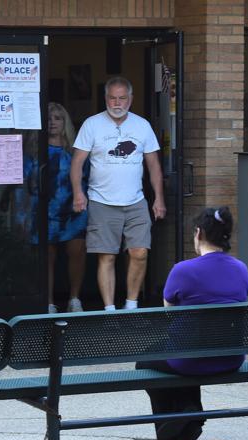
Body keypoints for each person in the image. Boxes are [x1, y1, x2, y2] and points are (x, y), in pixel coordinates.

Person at [137, 206, 248, 440]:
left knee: (146, 361)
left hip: (190, 359)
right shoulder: (241, 268)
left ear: (198, 233)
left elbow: (169, 311)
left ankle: (178, 422)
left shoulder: (183, 270)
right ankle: (188, 416)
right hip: (230, 357)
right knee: (184, 350)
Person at [70, 76, 166, 311]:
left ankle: (131, 304)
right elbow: (76, 163)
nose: (117, 102)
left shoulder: (142, 126)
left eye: (122, 98)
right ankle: (110, 309)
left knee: (140, 252)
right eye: (112, 97)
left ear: (131, 99)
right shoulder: (92, 125)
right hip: (101, 201)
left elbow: (154, 165)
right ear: (105, 98)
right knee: (107, 256)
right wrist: (78, 194)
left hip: (136, 200)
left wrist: (159, 199)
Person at [43, 102, 89, 313]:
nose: (53, 122)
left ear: (65, 122)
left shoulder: (76, 150)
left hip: (74, 208)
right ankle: (49, 301)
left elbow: (88, 178)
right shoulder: (37, 148)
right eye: (49, 118)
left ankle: (74, 299)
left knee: (77, 252)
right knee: (47, 256)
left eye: (58, 118)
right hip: (44, 209)